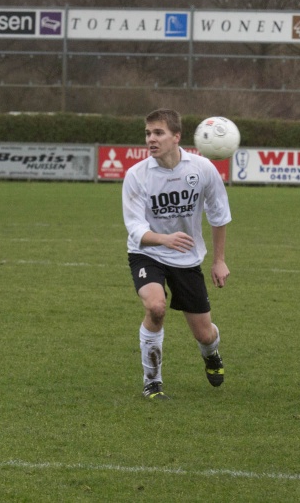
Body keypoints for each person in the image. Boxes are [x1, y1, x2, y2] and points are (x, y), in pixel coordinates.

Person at [123, 108, 232, 399]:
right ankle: (152, 382)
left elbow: (219, 215)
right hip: (147, 252)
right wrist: (163, 239)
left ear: (176, 137)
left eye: (158, 133)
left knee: (204, 334)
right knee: (155, 307)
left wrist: (219, 260)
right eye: (148, 133)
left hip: (186, 256)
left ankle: (211, 353)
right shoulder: (136, 175)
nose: (151, 139)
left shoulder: (202, 169)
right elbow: (134, 227)